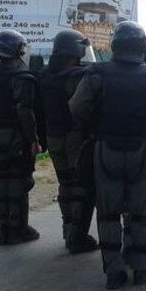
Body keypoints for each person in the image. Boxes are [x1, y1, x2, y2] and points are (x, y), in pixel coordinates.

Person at [70, 21, 146, 289]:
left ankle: (114, 272)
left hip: (106, 146)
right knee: (142, 210)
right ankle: (141, 268)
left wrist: (95, 125)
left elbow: (77, 107)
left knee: (108, 212)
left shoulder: (97, 73)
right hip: (143, 147)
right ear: (142, 46)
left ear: (115, 45)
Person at [38, 30, 98, 254]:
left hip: (53, 136)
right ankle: (77, 237)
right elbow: (86, 108)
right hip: (75, 137)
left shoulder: (44, 74)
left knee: (65, 184)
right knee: (82, 186)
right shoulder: (78, 76)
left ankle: (68, 230)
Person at [0, 30, 42, 245]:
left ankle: (3, 230)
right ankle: (18, 229)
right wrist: (33, 138)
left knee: (1, 178)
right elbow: (25, 111)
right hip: (16, 135)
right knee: (20, 179)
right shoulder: (22, 77)